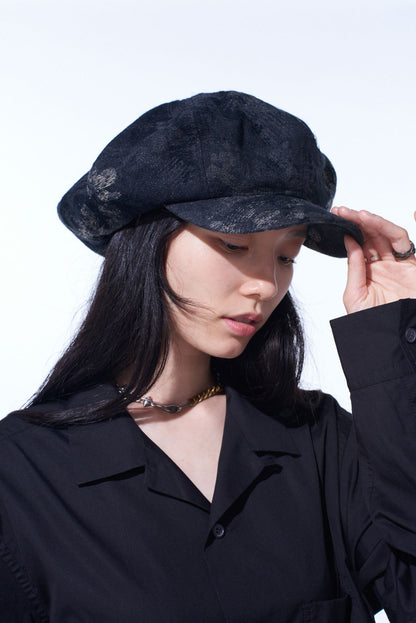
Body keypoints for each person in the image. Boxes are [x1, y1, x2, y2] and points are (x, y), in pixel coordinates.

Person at [1, 91, 415, 623]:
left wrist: (392, 336)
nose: (266, 285)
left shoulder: (319, 441)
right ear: (147, 242)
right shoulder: (22, 473)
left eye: (286, 255)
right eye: (234, 245)